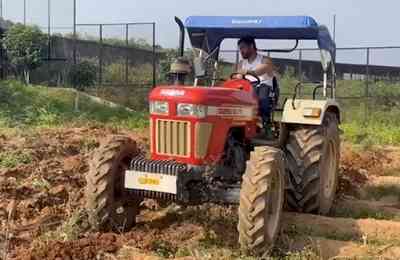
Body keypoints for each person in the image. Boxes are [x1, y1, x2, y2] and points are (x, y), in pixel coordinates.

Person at [235, 36, 279, 137]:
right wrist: (239, 76)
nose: (241, 51)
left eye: (243, 48)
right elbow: (238, 76)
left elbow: (262, 70)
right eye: (240, 49)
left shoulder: (265, 60)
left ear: (251, 46)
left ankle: (266, 125)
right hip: (247, 89)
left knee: (261, 94)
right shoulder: (241, 63)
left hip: (264, 89)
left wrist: (249, 72)